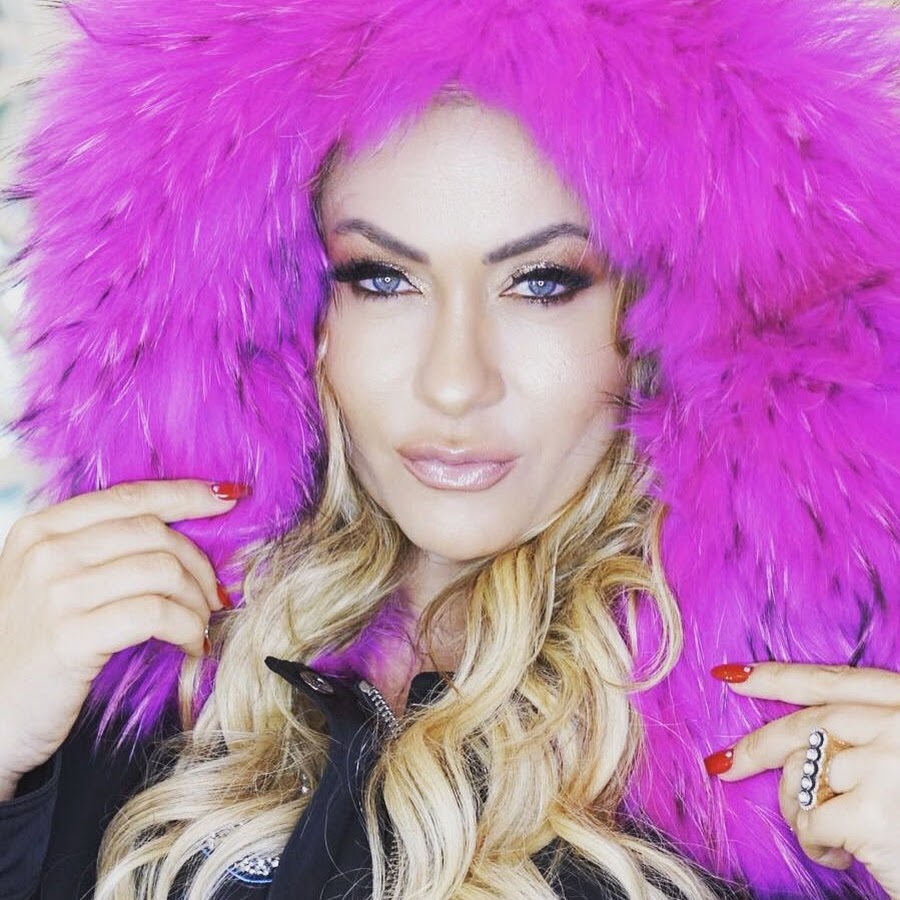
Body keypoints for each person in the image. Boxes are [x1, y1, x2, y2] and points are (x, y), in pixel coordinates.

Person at [0, 1, 897, 898]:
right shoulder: (133, 673)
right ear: (288, 310)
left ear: (669, 319)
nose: (455, 382)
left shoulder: (778, 770)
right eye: (381, 278)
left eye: (542, 284)